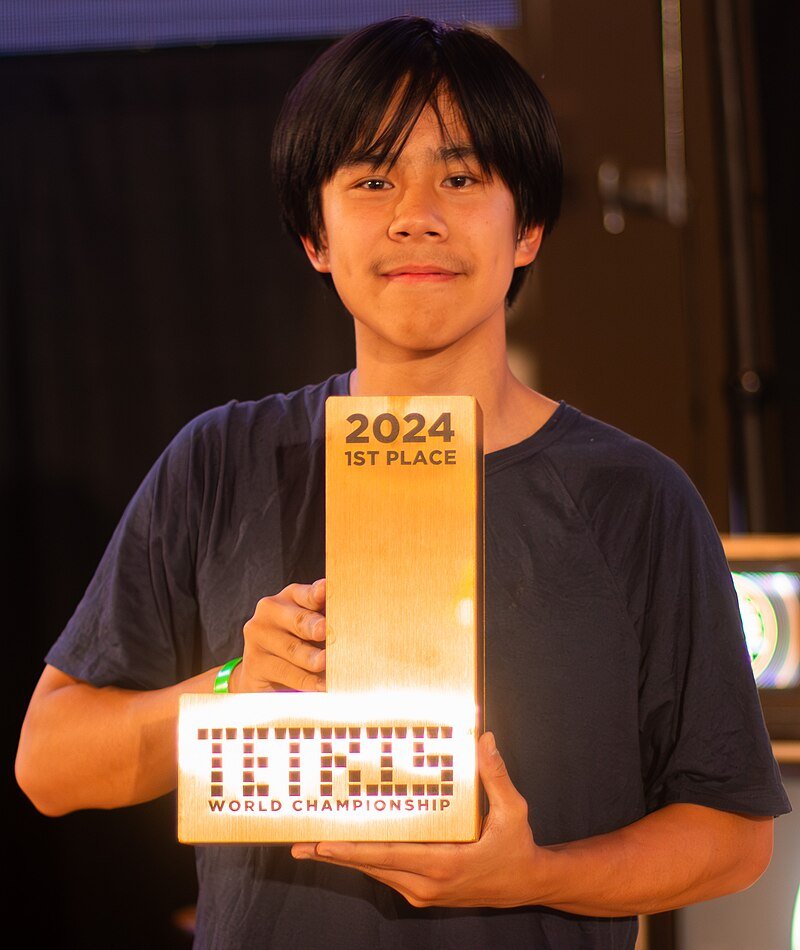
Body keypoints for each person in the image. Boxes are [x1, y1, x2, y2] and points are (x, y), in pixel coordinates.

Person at [15, 16, 789, 950]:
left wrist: (535, 875)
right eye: (372, 179)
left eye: (460, 179)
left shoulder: (639, 497)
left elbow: (733, 832)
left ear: (529, 227)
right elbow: (49, 766)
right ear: (316, 233)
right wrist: (230, 685)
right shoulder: (220, 461)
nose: (414, 213)